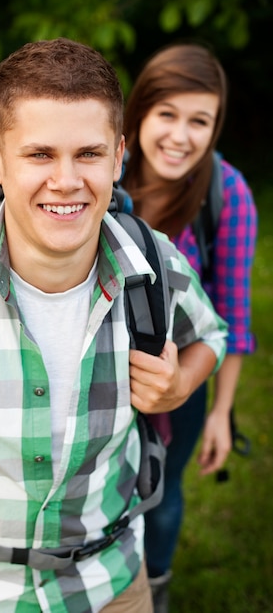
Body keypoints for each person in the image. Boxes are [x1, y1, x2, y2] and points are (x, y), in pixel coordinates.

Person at [0, 38, 227, 613]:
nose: (66, 180)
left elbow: (211, 337)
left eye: (88, 153)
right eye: (39, 155)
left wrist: (182, 384)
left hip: (110, 585)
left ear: (118, 156)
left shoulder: (154, 263)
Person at [122, 42, 257, 612]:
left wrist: (221, 412)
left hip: (178, 387)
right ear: (140, 115)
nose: (181, 136)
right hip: (86, 378)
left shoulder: (227, 196)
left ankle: (155, 589)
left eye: (199, 120)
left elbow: (232, 318)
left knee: (161, 496)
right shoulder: (99, 171)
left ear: (215, 126)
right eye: (167, 115)